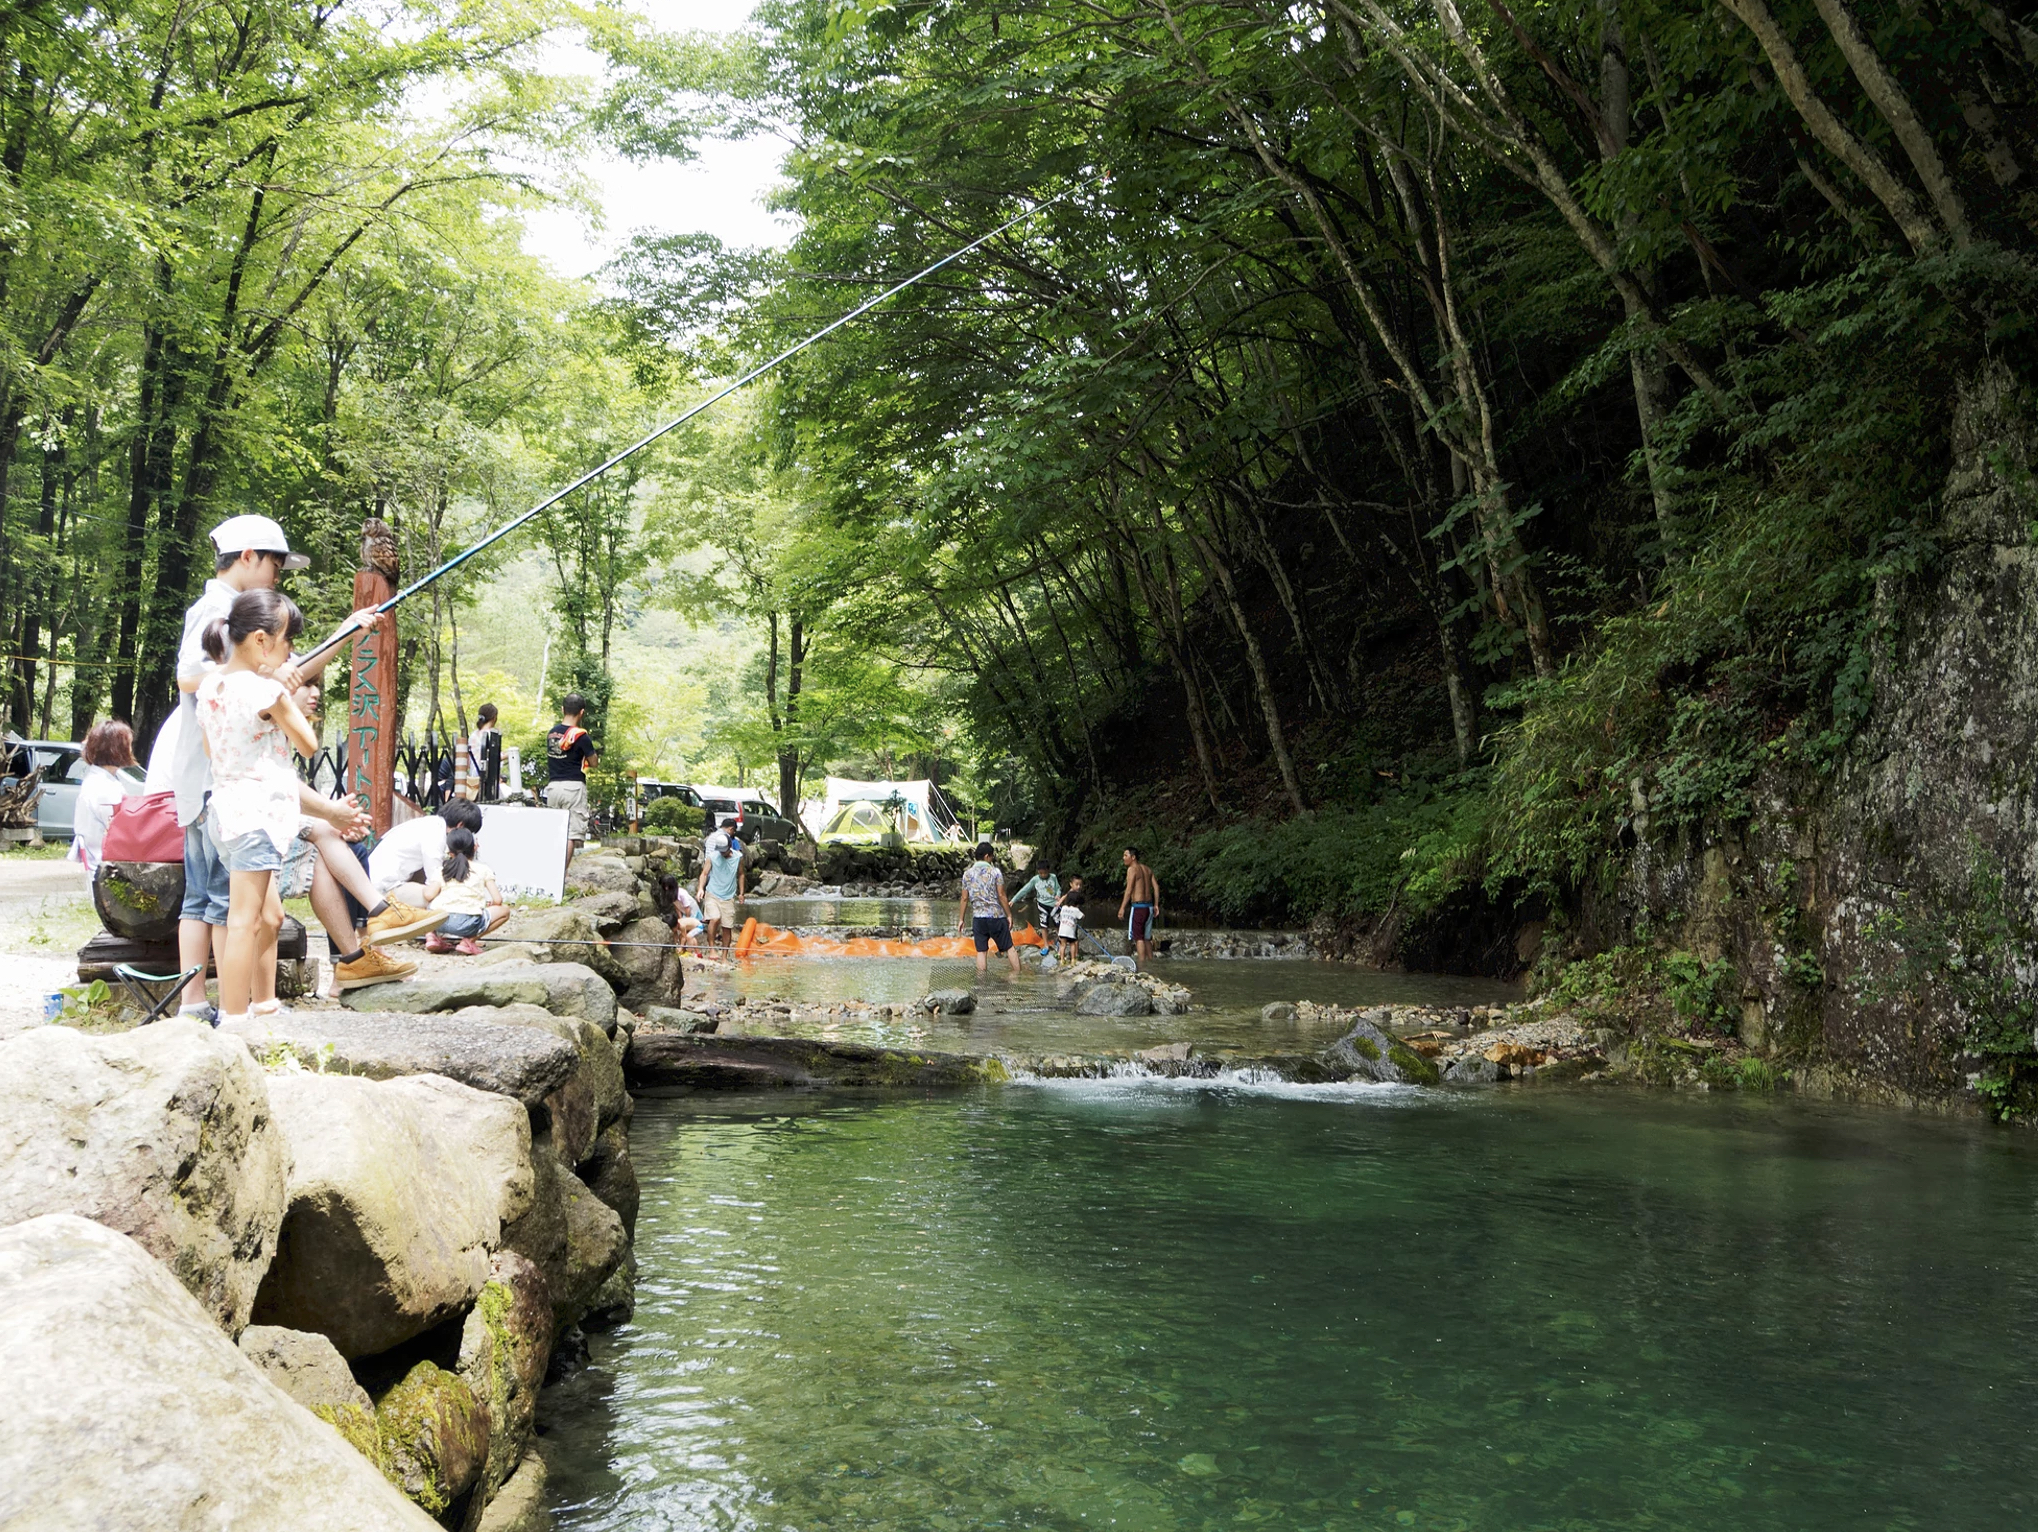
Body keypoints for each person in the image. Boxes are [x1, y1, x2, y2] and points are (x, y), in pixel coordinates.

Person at [169, 513, 378, 1020]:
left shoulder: (229, 626)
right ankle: (232, 1012)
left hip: (209, 781)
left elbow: (257, 676)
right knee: (229, 909)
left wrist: (335, 641)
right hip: (227, 790)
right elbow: (191, 676)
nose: (277, 578)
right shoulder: (222, 612)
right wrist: (270, 683)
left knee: (207, 902)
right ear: (247, 558)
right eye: (275, 567)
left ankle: (200, 1006)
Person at [193, 589, 320, 1026]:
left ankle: (263, 1005)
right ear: (263, 641)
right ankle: (233, 1021)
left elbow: (213, 748)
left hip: (224, 812)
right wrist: (284, 694)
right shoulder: (265, 691)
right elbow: (308, 743)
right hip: (257, 817)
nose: (291, 651)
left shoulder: (211, 684)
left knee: (270, 914)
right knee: (243, 921)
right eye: (288, 641)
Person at [68, 719, 139, 880]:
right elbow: (120, 829)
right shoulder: (103, 788)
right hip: (107, 870)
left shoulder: (102, 780)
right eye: (128, 744)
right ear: (117, 748)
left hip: (102, 864)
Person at [425, 826, 506, 955]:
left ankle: (431, 936)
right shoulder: (483, 869)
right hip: (467, 924)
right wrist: (490, 906)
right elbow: (498, 900)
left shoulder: (442, 870)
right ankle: (468, 941)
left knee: (429, 907)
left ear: (449, 852)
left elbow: (428, 895)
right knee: (504, 911)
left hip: (438, 922)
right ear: (475, 847)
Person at [545, 693, 597, 873]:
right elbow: (594, 762)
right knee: (571, 834)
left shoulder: (552, 733)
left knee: (555, 831)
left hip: (553, 788)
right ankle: (560, 876)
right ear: (581, 712)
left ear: (562, 709)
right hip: (573, 787)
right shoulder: (581, 736)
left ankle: (549, 871)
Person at [957, 840, 1020, 978]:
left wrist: (961, 919)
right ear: (987, 856)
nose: (992, 859)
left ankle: (982, 983)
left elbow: (964, 899)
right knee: (1009, 948)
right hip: (996, 916)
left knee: (981, 951)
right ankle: (1017, 978)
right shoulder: (995, 872)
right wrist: (1009, 915)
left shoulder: (967, 874)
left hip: (978, 918)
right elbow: (1002, 895)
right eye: (991, 857)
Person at [697, 825, 745, 950]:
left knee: (727, 927)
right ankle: (712, 949)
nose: (722, 853)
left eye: (724, 850)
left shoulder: (738, 858)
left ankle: (724, 956)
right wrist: (700, 889)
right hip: (712, 893)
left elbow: (741, 875)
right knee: (715, 918)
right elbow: (704, 874)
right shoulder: (712, 857)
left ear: (729, 846)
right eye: (720, 850)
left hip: (729, 897)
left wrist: (741, 893)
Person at [1118, 846, 1161, 968]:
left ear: (1133, 857)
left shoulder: (1132, 869)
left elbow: (1129, 889)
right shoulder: (1147, 869)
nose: (1123, 858)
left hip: (1138, 907)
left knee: (1138, 937)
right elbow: (1156, 887)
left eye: (1125, 855)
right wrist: (1156, 904)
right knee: (1147, 938)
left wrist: (1122, 908)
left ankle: (1142, 965)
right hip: (1149, 908)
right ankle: (1150, 964)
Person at [1010, 861, 1061, 933]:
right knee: (1043, 925)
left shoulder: (1053, 877)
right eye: (1040, 873)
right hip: (1042, 904)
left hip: (1054, 904)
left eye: (1045, 873)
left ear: (1048, 870)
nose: (1043, 875)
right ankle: (1046, 943)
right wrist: (1014, 899)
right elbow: (1025, 889)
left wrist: (1058, 895)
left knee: (1057, 923)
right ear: (1038, 872)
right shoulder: (1035, 879)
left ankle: (1061, 940)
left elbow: (1058, 888)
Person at [661, 871, 704, 948]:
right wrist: (680, 918)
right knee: (683, 929)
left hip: (691, 909)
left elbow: (687, 908)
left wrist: (686, 919)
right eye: (665, 886)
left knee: (688, 930)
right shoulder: (671, 894)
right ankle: (685, 943)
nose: (666, 888)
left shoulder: (681, 893)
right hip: (684, 910)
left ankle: (691, 944)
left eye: (668, 886)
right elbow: (677, 907)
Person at [465, 703, 499, 799]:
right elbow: (493, 757)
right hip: (486, 778)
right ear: (494, 717)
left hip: (473, 777)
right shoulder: (490, 735)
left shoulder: (473, 734)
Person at [1052, 877, 1086, 963]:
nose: (1079, 887)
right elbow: (1082, 916)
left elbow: (1061, 915)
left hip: (1062, 931)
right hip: (1071, 931)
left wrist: (1059, 902)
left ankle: (1062, 959)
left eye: (1080, 885)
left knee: (1062, 945)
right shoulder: (1076, 910)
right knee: (1072, 944)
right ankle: (1073, 959)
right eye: (1077, 884)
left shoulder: (1063, 908)